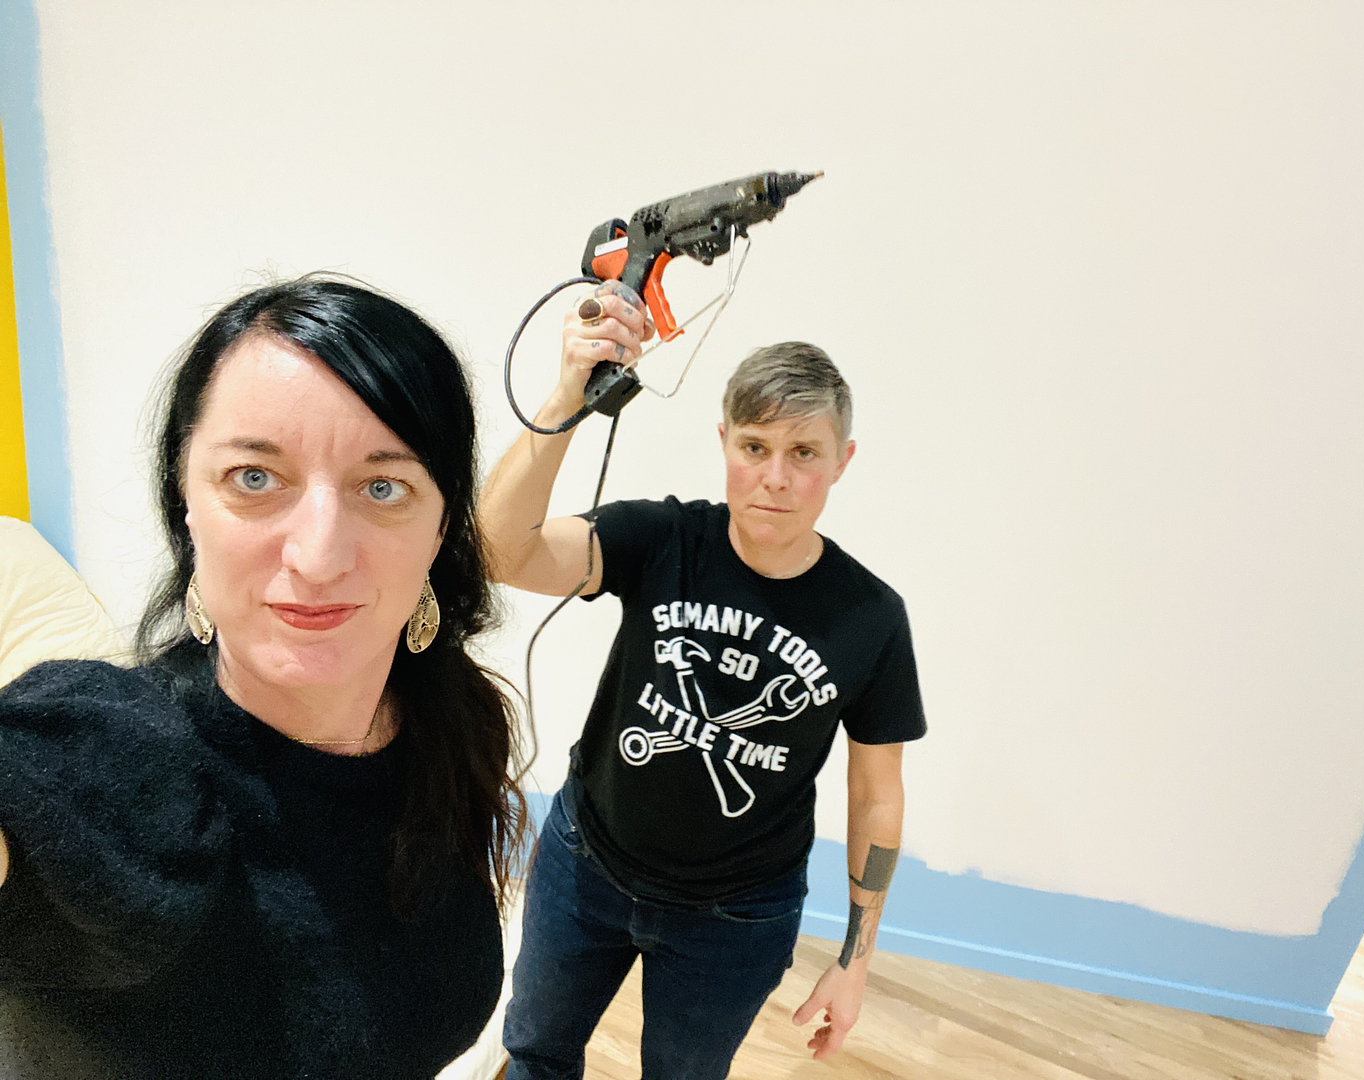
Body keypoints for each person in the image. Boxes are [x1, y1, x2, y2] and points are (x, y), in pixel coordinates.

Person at [0, 277, 525, 1079]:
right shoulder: (100, 758)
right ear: (186, 499)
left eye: (383, 487)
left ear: (442, 523)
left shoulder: (451, 721)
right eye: (254, 479)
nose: (317, 557)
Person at [484, 281, 927, 1079]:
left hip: (735, 915)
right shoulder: (660, 540)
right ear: (724, 441)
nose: (776, 477)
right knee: (534, 1057)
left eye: (804, 454)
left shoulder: (870, 618)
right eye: (755, 447)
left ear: (842, 462)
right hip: (586, 864)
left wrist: (856, 957)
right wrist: (568, 397)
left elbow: (877, 794)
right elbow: (499, 551)